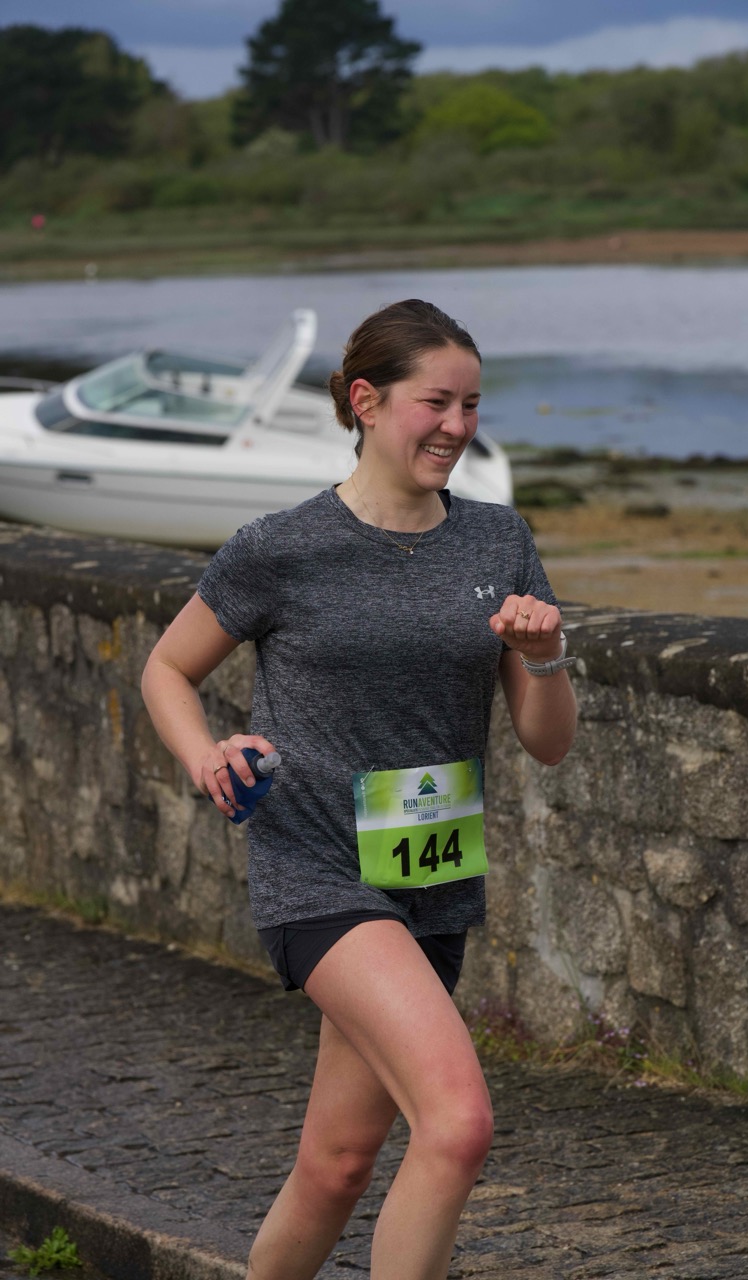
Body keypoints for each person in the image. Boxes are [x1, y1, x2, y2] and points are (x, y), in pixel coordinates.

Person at [141, 298, 577, 1280]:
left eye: (471, 404)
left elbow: (547, 743)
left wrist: (545, 655)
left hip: (432, 880)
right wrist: (206, 755)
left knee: (336, 1165)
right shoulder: (281, 547)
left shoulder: (498, 541)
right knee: (457, 1124)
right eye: (436, 402)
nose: (458, 426)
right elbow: (166, 668)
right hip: (317, 872)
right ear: (367, 402)